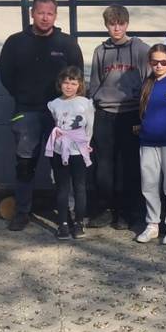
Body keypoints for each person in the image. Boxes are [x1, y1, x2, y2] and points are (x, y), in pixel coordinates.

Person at [0, 0, 84, 231]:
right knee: (25, 164)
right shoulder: (15, 43)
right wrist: (25, 97)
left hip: (62, 116)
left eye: (50, 13)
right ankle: (22, 212)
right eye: (41, 13)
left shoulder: (66, 44)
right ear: (32, 14)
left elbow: (77, 75)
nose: (45, 18)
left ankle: (69, 216)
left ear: (55, 16)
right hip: (27, 113)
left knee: (63, 165)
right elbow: (6, 76)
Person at [87, 5, 149, 231]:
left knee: (128, 165)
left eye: (120, 23)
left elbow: (149, 79)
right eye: (112, 24)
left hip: (130, 112)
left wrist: (142, 110)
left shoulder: (140, 48)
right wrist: (96, 101)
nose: (116, 28)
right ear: (106, 25)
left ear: (127, 24)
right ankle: (105, 208)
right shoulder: (100, 51)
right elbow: (94, 82)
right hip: (105, 113)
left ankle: (126, 211)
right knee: (103, 165)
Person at [135, 44, 166, 244]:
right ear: (149, 63)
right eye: (155, 62)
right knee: (149, 184)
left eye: (164, 62)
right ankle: (152, 223)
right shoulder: (147, 84)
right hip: (147, 142)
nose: (159, 66)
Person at [46, 66, 94, 241]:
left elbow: (90, 126)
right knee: (62, 188)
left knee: (80, 187)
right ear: (60, 84)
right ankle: (63, 223)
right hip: (60, 150)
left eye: (73, 83)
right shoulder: (54, 104)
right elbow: (56, 124)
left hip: (78, 150)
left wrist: (86, 144)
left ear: (79, 85)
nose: (69, 87)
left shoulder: (85, 103)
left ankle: (79, 222)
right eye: (66, 83)